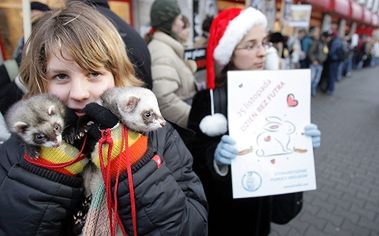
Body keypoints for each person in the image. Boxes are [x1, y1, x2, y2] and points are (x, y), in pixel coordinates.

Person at [0, 3, 207, 235]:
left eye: (94, 73)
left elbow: (191, 227)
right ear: (41, 81)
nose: (79, 93)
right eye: (60, 76)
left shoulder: (158, 138)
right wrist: (45, 169)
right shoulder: (16, 151)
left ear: (116, 75)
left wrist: (133, 164)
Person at [187, 7, 321, 236]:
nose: (263, 53)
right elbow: (191, 160)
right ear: (229, 53)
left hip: (260, 220)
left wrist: (301, 147)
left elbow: (284, 206)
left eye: (264, 43)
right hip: (222, 220)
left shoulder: (279, 94)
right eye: (250, 45)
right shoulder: (207, 100)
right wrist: (215, 157)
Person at [67, 0, 153, 89]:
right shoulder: (132, 32)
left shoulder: (73, 27)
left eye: (94, 74)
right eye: (62, 76)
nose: (78, 94)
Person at [147, 0, 198, 128]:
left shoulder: (167, 48)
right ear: (170, 23)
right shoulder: (161, 51)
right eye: (180, 19)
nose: (182, 23)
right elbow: (164, 100)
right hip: (181, 130)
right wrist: (196, 119)